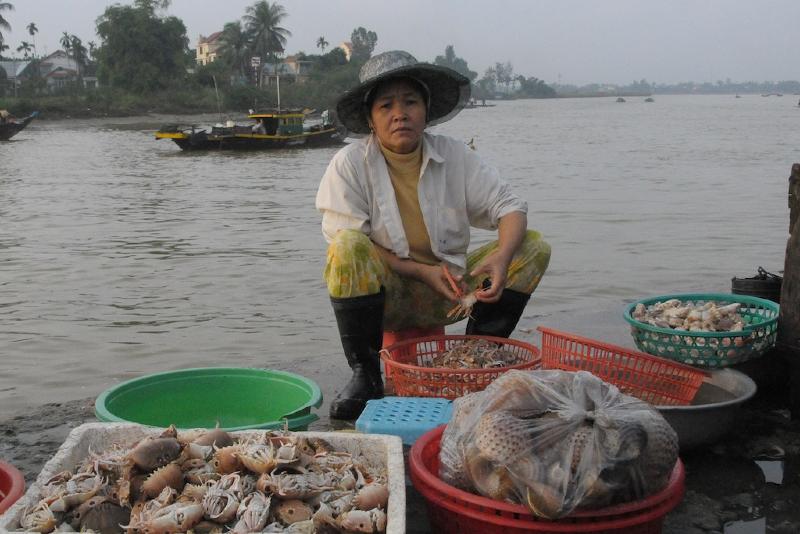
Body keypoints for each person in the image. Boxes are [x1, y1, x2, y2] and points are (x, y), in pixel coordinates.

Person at [315, 51, 551, 420]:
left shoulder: (455, 156)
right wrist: (420, 271)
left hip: (452, 291)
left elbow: (510, 206)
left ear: (425, 110)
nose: (400, 113)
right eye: (386, 105)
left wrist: (502, 257)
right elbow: (349, 238)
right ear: (371, 119)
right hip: (385, 297)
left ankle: (475, 358)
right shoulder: (348, 164)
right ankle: (366, 375)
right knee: (347, 246)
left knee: (533, 245)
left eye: (410, 102)